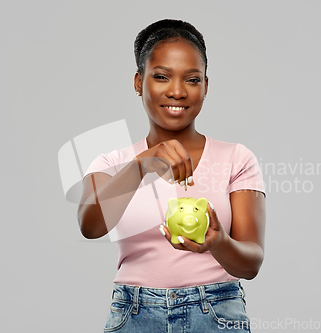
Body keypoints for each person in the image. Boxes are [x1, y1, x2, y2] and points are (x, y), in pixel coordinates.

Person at [78, 18, 266, 332]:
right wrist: (142, 165)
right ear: (139, 82)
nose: (177, 91)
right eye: (162, 77)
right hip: (134, 314)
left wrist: (218, 243)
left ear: (206, 86)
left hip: (216, 312)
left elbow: (251, 263)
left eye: (192, 79)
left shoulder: (236, 158)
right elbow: (90, 225)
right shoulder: (112, 162)